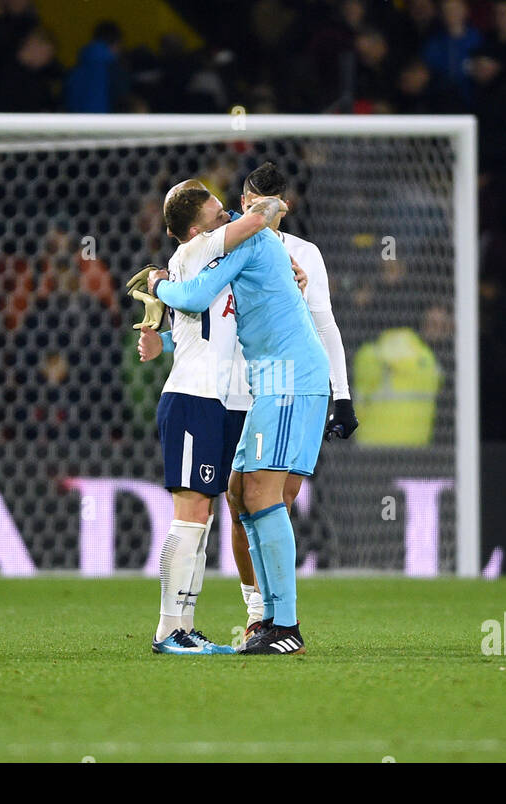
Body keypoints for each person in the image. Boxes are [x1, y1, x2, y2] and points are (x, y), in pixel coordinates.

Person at [140, 190, 331, 656]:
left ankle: (270, 620)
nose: (226, 211)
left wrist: (291, 274)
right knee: (212, 506)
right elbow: (197, 298)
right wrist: (157, 290)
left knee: (238, 500)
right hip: (196, 395)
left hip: (244, 393)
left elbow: (217, 318)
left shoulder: (223, 253)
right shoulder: (202, 250)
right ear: (195, 228)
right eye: (216, 207)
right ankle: (175, 628)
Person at [223, 162, 356, 639]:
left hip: (287, 385)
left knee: (274, 496)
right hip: (237, 387)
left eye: (262, 203)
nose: (251, 210)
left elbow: (325, 325)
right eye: (246, 201)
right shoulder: (228, 246)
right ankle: (259, 611)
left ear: (283, 207)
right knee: (238, 499)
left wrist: (342, 395)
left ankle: (280, 620)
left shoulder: (305, 255)